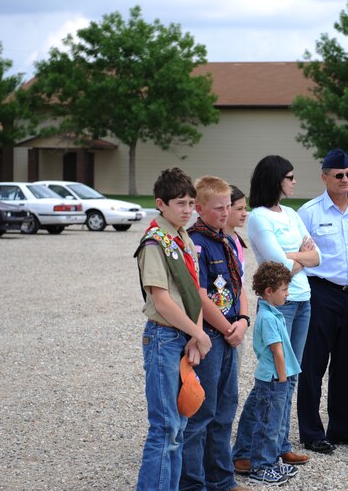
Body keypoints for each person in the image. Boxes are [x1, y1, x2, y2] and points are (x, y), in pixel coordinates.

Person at [233, 155, 320, 473]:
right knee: (271, 382)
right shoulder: (258, 218)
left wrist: (292, 259)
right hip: (279, 308)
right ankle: (244, 451)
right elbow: (277, 267)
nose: (295, 181)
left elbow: (317, 256)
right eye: (290, 177)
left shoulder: (293, 214)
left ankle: (279, 445)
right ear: (275, 179)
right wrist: (301, 258)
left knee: (291, 379)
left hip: (303, 301)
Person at [133, 167, 212, 491]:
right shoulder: (155, 242)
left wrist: (195, 335)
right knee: (165, 428)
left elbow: (193, 292)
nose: (188, 210)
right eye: (180, 203)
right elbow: (162, 301)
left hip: (182, 336)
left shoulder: (182, 238)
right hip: (164, 337)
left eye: (191, 203)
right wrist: (200, 334)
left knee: (179, 426)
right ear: (160, 204)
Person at [296, 149, 348, 454]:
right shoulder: (310, 212)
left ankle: (343, 429)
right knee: (313, 365)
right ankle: (312, 432)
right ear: (324, 177)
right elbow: (299, 256)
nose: (345, 180)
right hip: (321, 293)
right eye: (339, 175)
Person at [180, 176, 249, 491]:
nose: (225, 213)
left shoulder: (226, 239)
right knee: (201, 415)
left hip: (230, 333)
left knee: (225, 410)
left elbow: (237, 287)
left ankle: (221, 480)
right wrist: (226, 328)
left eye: (227, 207)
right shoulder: (198, 243)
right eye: (218, 208)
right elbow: (200, 296)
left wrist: (243, 321)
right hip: (210, 335)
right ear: (199, 208)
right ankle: (193, 483)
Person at [245, 261, 302, 486]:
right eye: (284, 289)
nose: (287, 293)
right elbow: (277, 351)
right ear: (269, 291)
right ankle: (261, 467)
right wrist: (282, 379)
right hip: (273, 380)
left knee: (275, 423)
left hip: (277, 378)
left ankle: (271, 460)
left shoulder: (273, 312)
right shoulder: (268, 318)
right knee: (268, 424)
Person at [226, 185, 249, 379]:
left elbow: (240, 285)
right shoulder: (212, 241)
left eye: (245, 208)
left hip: (237, 320)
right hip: (221, 322)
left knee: (231, 385)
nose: (245, 213)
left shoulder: (236, 239)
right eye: (239, 209)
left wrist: (244, 319)